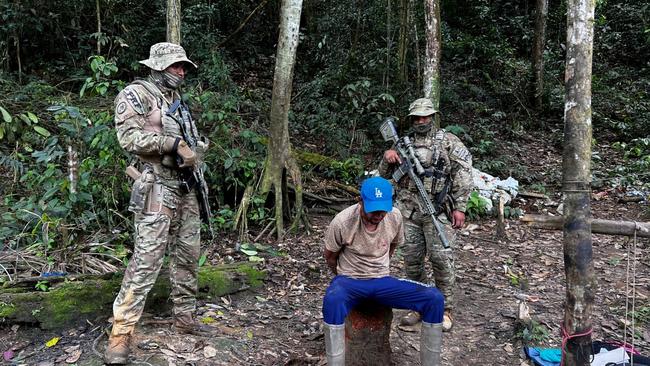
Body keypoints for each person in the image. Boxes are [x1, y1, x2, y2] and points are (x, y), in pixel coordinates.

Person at [104, 42, 215, 365]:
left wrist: (195, 150)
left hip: (185, 188)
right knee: (146, 261)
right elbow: (129, 139)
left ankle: (184, 317)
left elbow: (187, 145)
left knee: (188, 255)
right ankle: (121, 332)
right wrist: (173, 143)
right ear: (157, 67)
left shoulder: (176, 101)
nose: (181, 72)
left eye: (184, 67)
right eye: (175, 66)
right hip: (156, 187)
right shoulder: (136, 95)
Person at [322, 177, 444, 366]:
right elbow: (330, 256)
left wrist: (379, 268)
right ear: (360, 201)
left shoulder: (394, 216)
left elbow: (393, 245)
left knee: (434, 298)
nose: (378, 215)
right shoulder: (343, 221)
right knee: (332, 299)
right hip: (350, 280)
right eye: (373, 210)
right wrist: (343, 277)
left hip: (381, 281)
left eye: (382, 210)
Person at [378, 98, 473, 331]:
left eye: (426, 116)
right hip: (408, 213)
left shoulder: (448, 141)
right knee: (412, 261)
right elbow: (382, 177)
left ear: (432, 117)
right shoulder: (401, 143)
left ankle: (445, 308)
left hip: (437, 211)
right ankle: (417, 304)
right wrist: (387, 156)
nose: (422, 121)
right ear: (411, 119)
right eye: (417, 117)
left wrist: (460, 206)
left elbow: (464, 172)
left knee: (442, 259)